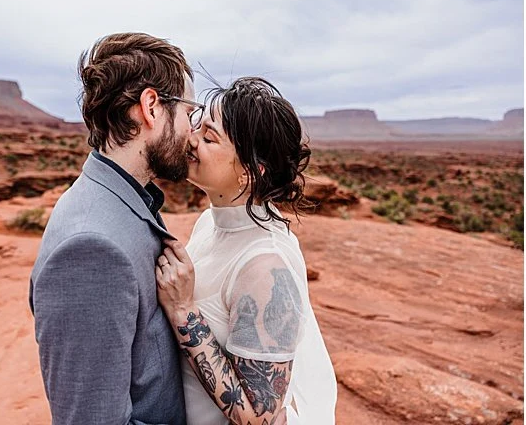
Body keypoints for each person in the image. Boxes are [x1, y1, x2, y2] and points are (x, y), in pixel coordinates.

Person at [29, 32, 197, 425]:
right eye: (190, 111)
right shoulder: (90, 249)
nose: (193, 132)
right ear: (152, 107)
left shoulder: (123, 203)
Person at [154, 77, 335, 424]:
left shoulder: (265, 265)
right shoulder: (209, 223)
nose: (190, 141)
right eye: (197, 127)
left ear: (251, 172)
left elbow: (259, 418)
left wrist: (184, 311)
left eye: (209, 138)